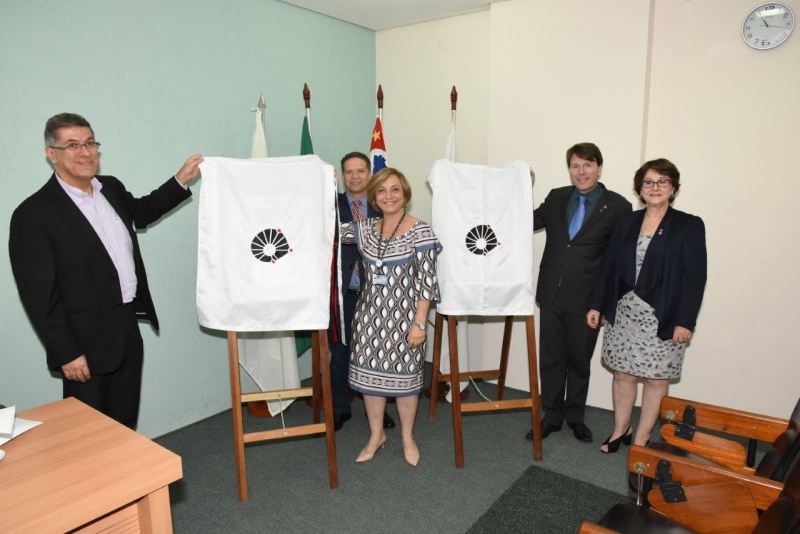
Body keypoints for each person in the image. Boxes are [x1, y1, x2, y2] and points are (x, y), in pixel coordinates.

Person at [9, 112, 202, 429]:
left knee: (124, 423)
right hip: (83, 344)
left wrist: (180, 179)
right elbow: (39, 295)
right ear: (51, 154)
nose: (84, 152)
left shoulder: (110, 188)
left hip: (127, 329)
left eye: (89, 143)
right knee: (88, 434)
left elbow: (142, 211)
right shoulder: (33, 214)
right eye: (72, 145)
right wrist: (66, 352)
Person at [587, 158, 707, 453]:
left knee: (655, 379)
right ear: (639, 188)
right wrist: (597, 305)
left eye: (662, 182)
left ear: (673, 187)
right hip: (624, 313)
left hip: (663, 314)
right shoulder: (627, 222)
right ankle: (620, 429)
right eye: (648, 182)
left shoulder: (688, 225)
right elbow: (609, 266)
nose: (655, 188)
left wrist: (685, 322)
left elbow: (695, 277)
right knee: (623, 374)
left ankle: (642, 437)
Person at [528, 142, 632, 443]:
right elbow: (527, 222)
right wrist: (523, 189)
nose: (581, 172)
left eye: (588, 165)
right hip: (551, 294)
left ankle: (575, 416)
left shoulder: (618, 206)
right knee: (550, 359)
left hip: (588, 301)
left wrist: (603, 303)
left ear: (599, 167)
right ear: (569, 169)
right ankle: (552, 416)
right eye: (575, 165)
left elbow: (616, 260)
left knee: (578, 360)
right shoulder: (557, 197)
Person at [341, 167, 441, 466]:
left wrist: (420, 324)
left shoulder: (420, 231)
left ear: (405, 194)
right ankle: (376, 435)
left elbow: (427, 281)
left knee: (406, 383)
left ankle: (407, 437)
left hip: (407, 322)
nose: (389, 196)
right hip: (369, 319)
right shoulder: (363, 229)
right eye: (382, 191)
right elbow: (324, 232)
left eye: (395, 189)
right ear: (374, 196)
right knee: (371, 381)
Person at [330, 152, 395, 431]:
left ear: (370, 174)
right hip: (343, 293)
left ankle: (377, 411)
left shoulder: (383, 206)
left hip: (377, 294)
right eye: (349, 172)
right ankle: (339, 407)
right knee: (341, 353)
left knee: (378, 352)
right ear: (343, 176)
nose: (355, 176)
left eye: (360, 171)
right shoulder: (329, 205)